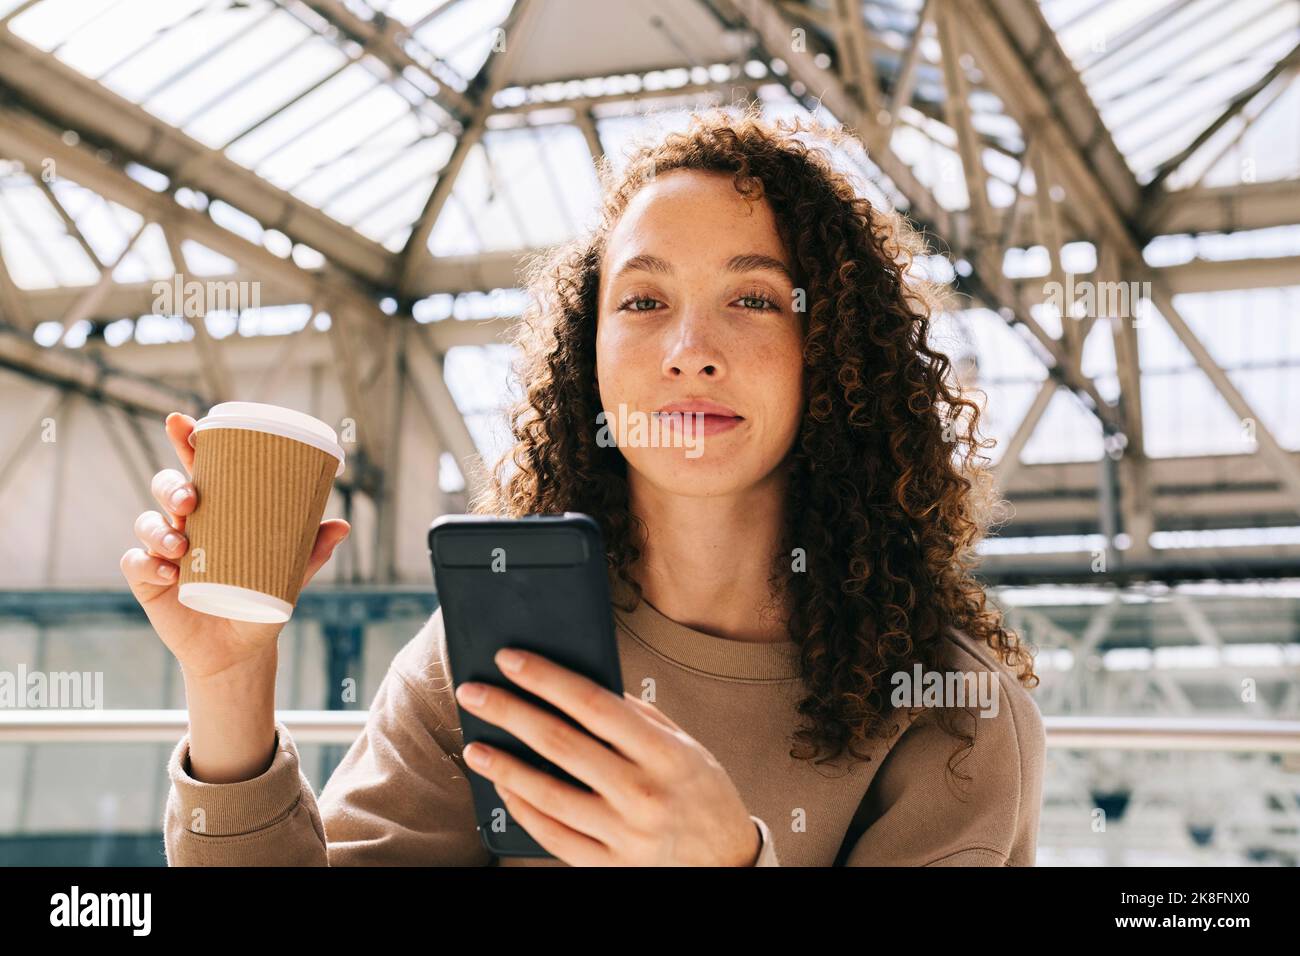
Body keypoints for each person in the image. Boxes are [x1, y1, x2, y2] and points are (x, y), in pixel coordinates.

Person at [121, 105, 1044, 866]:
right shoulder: (485, 652)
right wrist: (231, 681)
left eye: (755, 299)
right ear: (588, 357)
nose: (690, 354)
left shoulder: (953, 708)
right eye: (643, 302)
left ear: (832, 350)